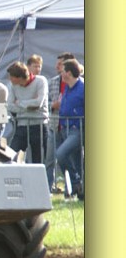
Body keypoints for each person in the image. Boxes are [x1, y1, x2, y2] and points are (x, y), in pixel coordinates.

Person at [6, 60, 49, 164]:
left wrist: (19, 102)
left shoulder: (41, 81)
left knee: (38, 159)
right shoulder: (12, 86)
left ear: (20, 78)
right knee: (12, 155)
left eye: (11, 77)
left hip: (39, 125)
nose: (9, 79)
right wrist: (29, 105)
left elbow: (38, 103)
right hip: (22, 125)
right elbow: (10, 106)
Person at [46, 52, 76, 191]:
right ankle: (47, 188)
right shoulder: (52, 82)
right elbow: (46, 103)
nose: (57, 67)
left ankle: (73, 187)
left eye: (60, 64)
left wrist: (64, 105)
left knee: (69, 158)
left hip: (71, 127)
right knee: (50, 160)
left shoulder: (78, 84)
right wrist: (53, 105)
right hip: (54, 126)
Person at [55, 59, 85, 199]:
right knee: (76, 161)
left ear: (68, 73)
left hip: (77, 129)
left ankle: (75, 180)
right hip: (65, 128)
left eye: (62, 71)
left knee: (61, 154)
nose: (60, 74)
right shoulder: (67, 87)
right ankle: (81, 191)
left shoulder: (83, 88)